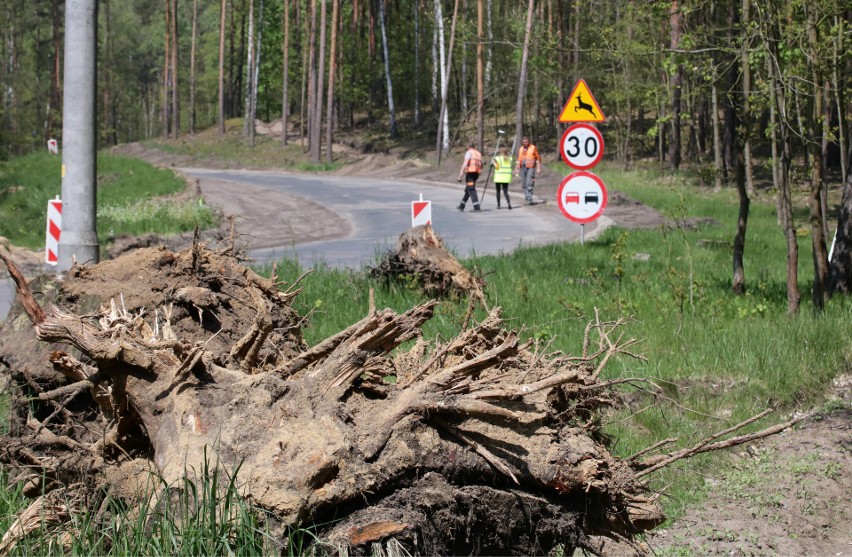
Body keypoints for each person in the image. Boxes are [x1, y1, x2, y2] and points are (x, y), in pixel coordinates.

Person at [515, 136, 541, 205]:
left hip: (531, 167)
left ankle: (529, 199)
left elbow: (538, 158)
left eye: (526, 142)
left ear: (528, 141)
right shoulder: (521, 148)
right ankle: (527, 198)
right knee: (524, 184)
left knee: (529, 183)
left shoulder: (533, 148)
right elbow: (518, 159)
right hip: (522, 168)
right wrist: (517, 168)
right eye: (523, 142)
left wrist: (538, 168)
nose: (525, 143)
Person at [457, 140, 483, 212]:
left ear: (468, 146)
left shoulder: (469, 152)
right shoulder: (478, 153)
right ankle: (462, 205)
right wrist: (480, 171)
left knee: (471, 189)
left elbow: (465, 163)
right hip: (476, 173)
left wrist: (461, 174)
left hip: (470, 173)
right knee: (468, 189)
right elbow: (481, 163)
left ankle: (476, 207)